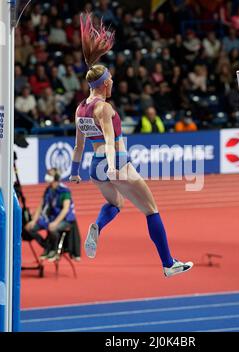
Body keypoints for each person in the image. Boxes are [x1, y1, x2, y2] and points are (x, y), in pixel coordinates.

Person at [69, 13, 193, 278]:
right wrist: (115, 168)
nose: (112, 83)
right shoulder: (104, 107)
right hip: (114, 163)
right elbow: (111, 140)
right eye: (111, 81)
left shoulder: (80, 109)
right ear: (104, 84)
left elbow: (79, 146)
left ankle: (98, 226)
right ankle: (168, 263)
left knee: (116, 204)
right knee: (151, 209)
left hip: (93, 167)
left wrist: (73, 171)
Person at [25, 168, 77, 261]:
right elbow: (41, 206)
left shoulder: (64, 191)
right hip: (51, 218)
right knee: (30, 228)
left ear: (56, 178)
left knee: (52, 228)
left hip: (65, 219)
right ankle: (47, 246)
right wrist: (33, 221)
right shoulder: (48, 190)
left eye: (50, 175)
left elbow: (65, 210)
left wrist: (55, 223)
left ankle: (54, 250)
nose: (47, 176)